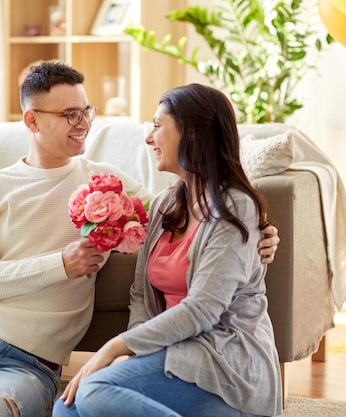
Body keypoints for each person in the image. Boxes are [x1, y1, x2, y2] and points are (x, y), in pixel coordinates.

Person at [0, 62, 280, 417]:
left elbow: (202, 220)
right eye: (70, 115)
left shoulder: (109, 185)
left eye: (85, 112)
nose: (82, 124)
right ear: (32, 120)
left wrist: (261, 233)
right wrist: (61, 264)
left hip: (33, 362)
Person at [52, 83, 283, 417]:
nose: (149, 138)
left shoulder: (235, 207)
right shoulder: (164, 205)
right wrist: (134, 356)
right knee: (66, 409)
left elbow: (203, 309)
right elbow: (138, 295)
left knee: (94, 391)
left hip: (224, 360)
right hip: (174, 351)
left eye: (158, 126)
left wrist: (114, 348)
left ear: (192, 133)